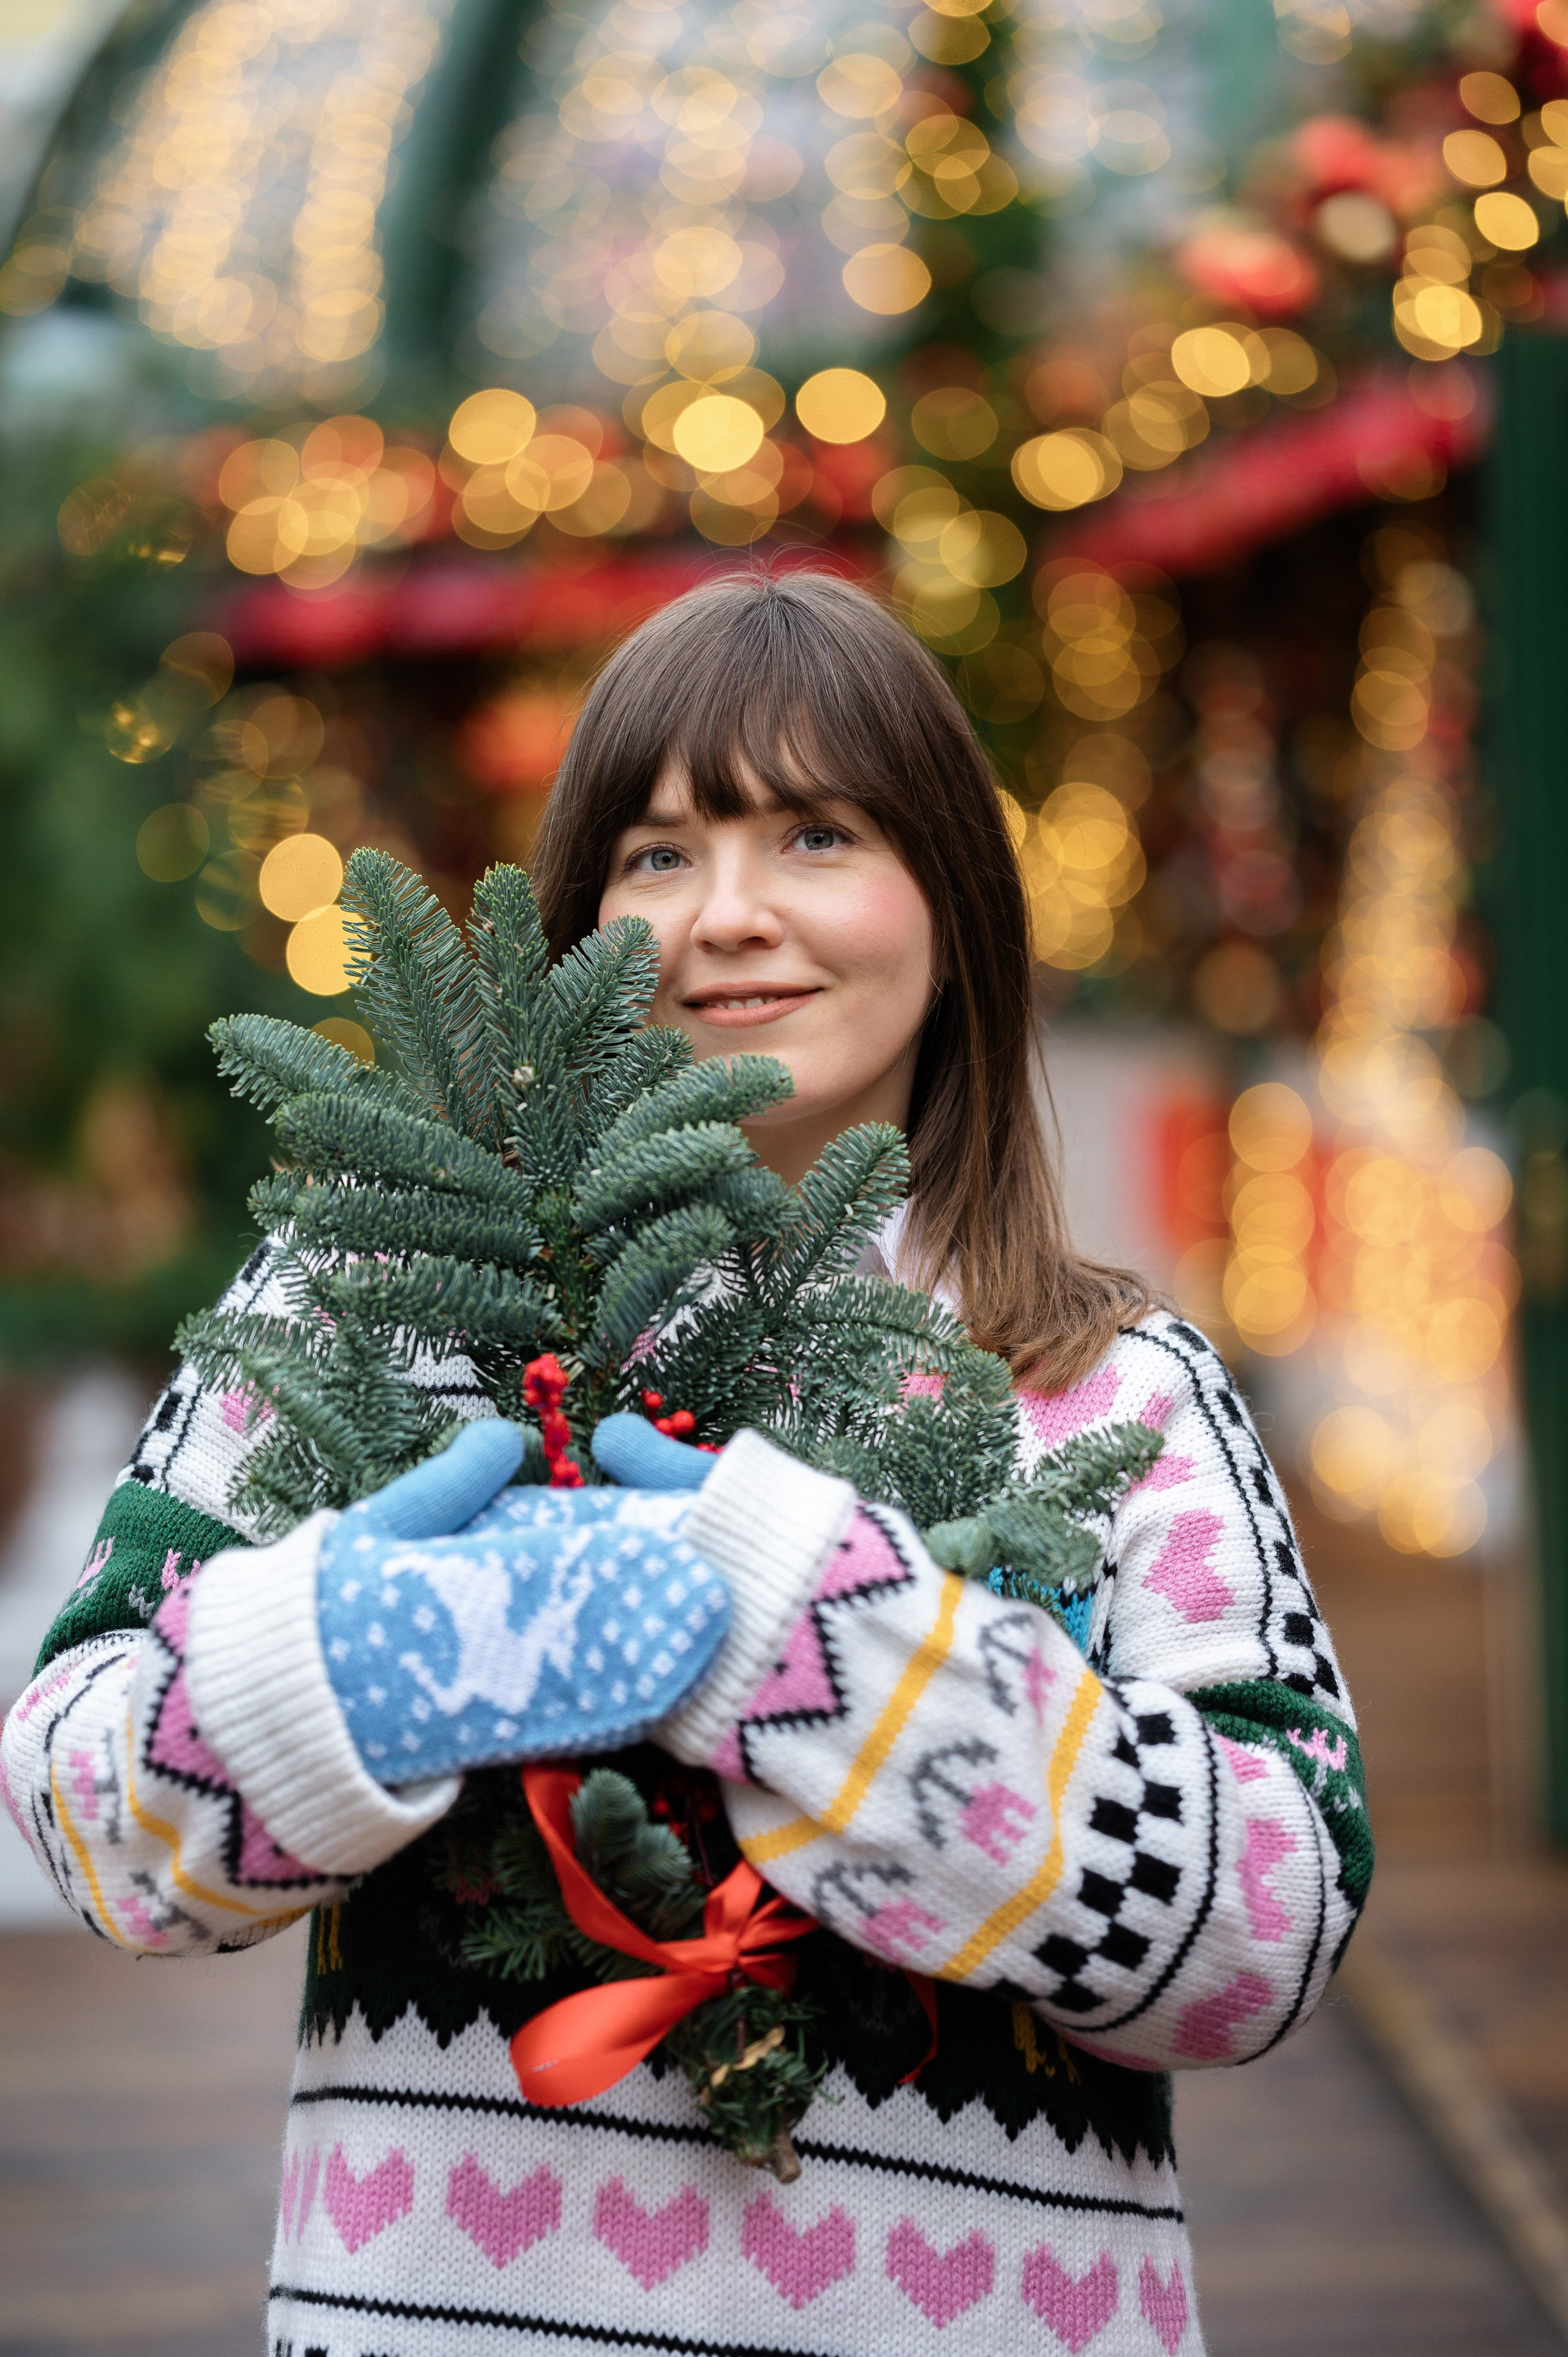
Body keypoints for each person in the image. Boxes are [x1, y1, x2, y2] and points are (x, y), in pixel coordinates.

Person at [1, 571, 1369, 2357]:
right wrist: (362, 1662)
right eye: (655, 854)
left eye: (815, 833)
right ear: (575, 928)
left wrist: (826, 1652)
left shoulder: (1120, 1395)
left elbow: (1273, 1931)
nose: (727, 916)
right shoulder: (377, 1301)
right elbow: (75, 1810)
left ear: (951, 896)